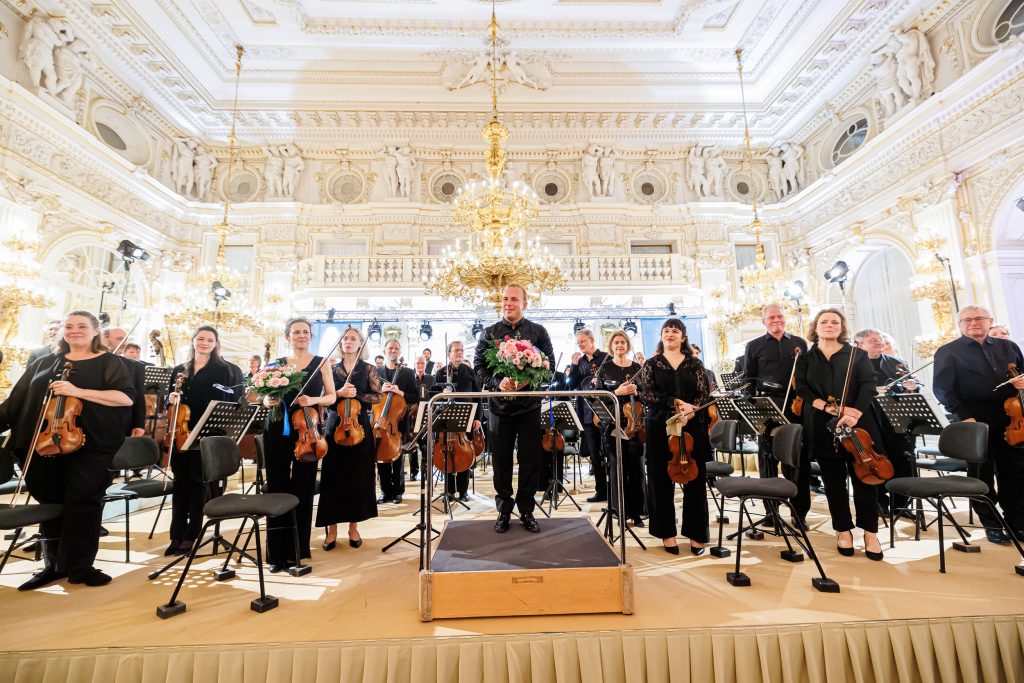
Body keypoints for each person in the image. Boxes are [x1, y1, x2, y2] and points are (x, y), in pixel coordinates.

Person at [0, 311, 134, 590]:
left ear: (96, 331)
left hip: (90, 444)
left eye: (82, 326)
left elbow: (124, 398)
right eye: (69, 326)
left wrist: (77, 391)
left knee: (82, 503)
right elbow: (16, 403)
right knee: (51, 502)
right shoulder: (45, 362)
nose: (74, 331)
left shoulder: (110, 363)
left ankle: (81, 566)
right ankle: (54, 566)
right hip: (45, 443)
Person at [246, 318, 335, 573]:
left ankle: (297, 549)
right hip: (278, 430)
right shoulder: (277, 363)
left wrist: (312, 399)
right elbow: (261, 395)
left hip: (308, 429)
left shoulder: (322, 362)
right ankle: (276, 552)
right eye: (295, 332)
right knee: (277, 486)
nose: (300, 335)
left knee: (303, 488)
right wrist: (267, 402)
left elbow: (331, 396)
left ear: (311, 336)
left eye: (305, 332)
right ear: (288, 336)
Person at [795, 308, 885, 561]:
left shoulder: (857, 354)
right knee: (833, 481)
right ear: (816, 327)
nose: (829, 325)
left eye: (835, 322)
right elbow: (802, 388)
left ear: (842, 327)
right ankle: (842, 529)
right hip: (823, 424)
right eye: (824, 321)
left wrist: (854, 412)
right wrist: (827, 406)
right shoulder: (806, 358)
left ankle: (870, 532)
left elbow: (868, 384)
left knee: (865, 478)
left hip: (857, 423)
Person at [933, 305, 1024, 544]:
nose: (973, 323)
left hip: (1010, 418)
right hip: (973, 419)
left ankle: (1017, 522)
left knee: (1014, 473)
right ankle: (991, 524)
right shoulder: (948, 351)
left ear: (989, 320)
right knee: (980, 475)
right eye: (967, 320)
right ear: (960, 325)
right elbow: (942, 389)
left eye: (979, 318)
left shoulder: (1009, 347)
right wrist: (963, 416)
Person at [474, 284, 554, 534]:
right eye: (505, 299)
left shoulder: (538, 331)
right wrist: (499, 383)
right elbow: (479, 367)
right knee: (501, 462)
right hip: (499, 408)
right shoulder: (488, 333)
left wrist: (527, 381)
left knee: (530, 460)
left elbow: (548, 367)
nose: (508, 303)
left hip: (529, 407)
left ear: (524, 303)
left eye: (514, 299)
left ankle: (527, 511)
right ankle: (504, 511)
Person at [164, 326, 242, 556]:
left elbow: (235, 400)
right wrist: (170, 398)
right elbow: (167, 401)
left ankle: (192, 534)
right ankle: (176, 534)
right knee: (180, 483)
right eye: (200, 338)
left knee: (198, 484)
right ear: (193, 341)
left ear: (216, 343)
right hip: (180, 432)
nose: (204, 343)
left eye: (209, 339)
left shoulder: (226, 370)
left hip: (207, 432)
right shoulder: (180, 370)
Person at [639, 318, 712, 555]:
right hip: (660, 425)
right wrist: (676, 404)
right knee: (660, 480)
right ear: (661, 336)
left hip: (692, 425)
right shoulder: (651, 364)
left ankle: (696, 534)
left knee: (695, 479)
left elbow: (704, 393)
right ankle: (667, 534)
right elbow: (648, 394)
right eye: (666, 330)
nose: (670, 334)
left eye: (675, 330)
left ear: (683, 337)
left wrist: (691, 410)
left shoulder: (695, 364)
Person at [740, 303, 810, 523]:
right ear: (764, 321)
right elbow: (748, 377)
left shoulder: (799, 343)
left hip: (794, 405)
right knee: (767, 460)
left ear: (785, 318)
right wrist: (751, 403)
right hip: (766, 404)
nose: (776, 320)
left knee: (796, 461)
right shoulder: (754, 345)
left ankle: (799, 513)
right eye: (771, 318)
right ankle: (771, 512)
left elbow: (807, 374)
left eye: (780, 316)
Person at [317, 326, 382, 550]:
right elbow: (324, 397)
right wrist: (339, 394)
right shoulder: (331, 369)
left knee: (357, 477)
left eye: (353, 338)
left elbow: (377, 396)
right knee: (333, 477)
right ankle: (332, 531)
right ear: (340, 343)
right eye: (345, 339)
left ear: (360, 343)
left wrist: (357, 395)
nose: (348, 342)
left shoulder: (369, 369)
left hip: (359, 426)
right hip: (335, 426)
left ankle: (354, 528)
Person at [854, 328, 919, 516]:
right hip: (869, 418)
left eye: (880, 339)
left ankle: (901, 504)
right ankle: (879, 501)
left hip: (896, 418)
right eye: (872, 340)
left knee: (902, 459)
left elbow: (913, 386)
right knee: (877, 458)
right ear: (859, 345)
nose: (879, 342)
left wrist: (912, 387)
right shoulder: (855, 364)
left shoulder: (895, 362)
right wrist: (873, 391)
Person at [594, 330, 646, 528]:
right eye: (616, 343)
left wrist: (637, 390)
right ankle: (620, 511)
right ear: (611, 346)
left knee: (637, 469)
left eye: (623, 342)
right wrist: (617, 392)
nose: (619, 345)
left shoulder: (636, 368)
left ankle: (638, 512)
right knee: (618, 469)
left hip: (636, 423)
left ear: (628, 345)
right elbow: (596, 395)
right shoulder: (604, 368)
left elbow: (646, 394)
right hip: (614, 424)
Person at [433, 341, 482, 500]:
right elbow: (433, 396)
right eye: (456, 350)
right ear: (449, 354)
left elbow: (477, 397)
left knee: (464, 453)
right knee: (446, 453)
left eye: (461, 350)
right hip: (446, 419)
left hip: (466, 416)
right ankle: (449, 490)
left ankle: (463, 491)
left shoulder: (469, 371)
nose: (459, 353)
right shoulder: (440, 373)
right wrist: (442, 392)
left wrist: (478, 418)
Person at [569, 329, 610, 503]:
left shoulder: (606, 358)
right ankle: (601, 491)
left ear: (592, 340)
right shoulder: (579, 362)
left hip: (605, 412)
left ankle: (614, 490)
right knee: (595, 455)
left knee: (610, 452)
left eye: (583, 342)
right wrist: (574, 366)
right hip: (586, 412)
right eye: (578, 343)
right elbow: (571, 386)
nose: (580, 345)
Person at [376, 339, 418, 504]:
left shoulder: (407, 373)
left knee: (398, 455)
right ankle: (385, 491)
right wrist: (381, 391)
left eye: (396, 348)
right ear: (384, 350)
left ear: (399, 352)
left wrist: (400, 392)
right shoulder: (376, 372)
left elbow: (416, 396)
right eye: (390, 348)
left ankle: (398, 491)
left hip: (398, 421)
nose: (393, 350)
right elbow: (369, 395)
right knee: (381, 455)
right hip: (380, 420)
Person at [102, 326, 147, 438]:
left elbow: (139, 397)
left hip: (123, 422)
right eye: (119, 339)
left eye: (126, 339)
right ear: (104, 339)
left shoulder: (134, 366)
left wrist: (139, 424)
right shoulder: (94, 362)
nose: (124, 343)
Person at [408, 355, 435, 482]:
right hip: (412, 416)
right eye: (418, 363)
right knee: (412, 444)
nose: (420, 365)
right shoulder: (409, 378)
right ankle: (414, 471)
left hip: (426, 414)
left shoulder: (431, 378)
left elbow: (434, 395)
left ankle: (426, 470)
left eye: (422, 363)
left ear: (426, 364)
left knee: (425, 444)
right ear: (414, 364)